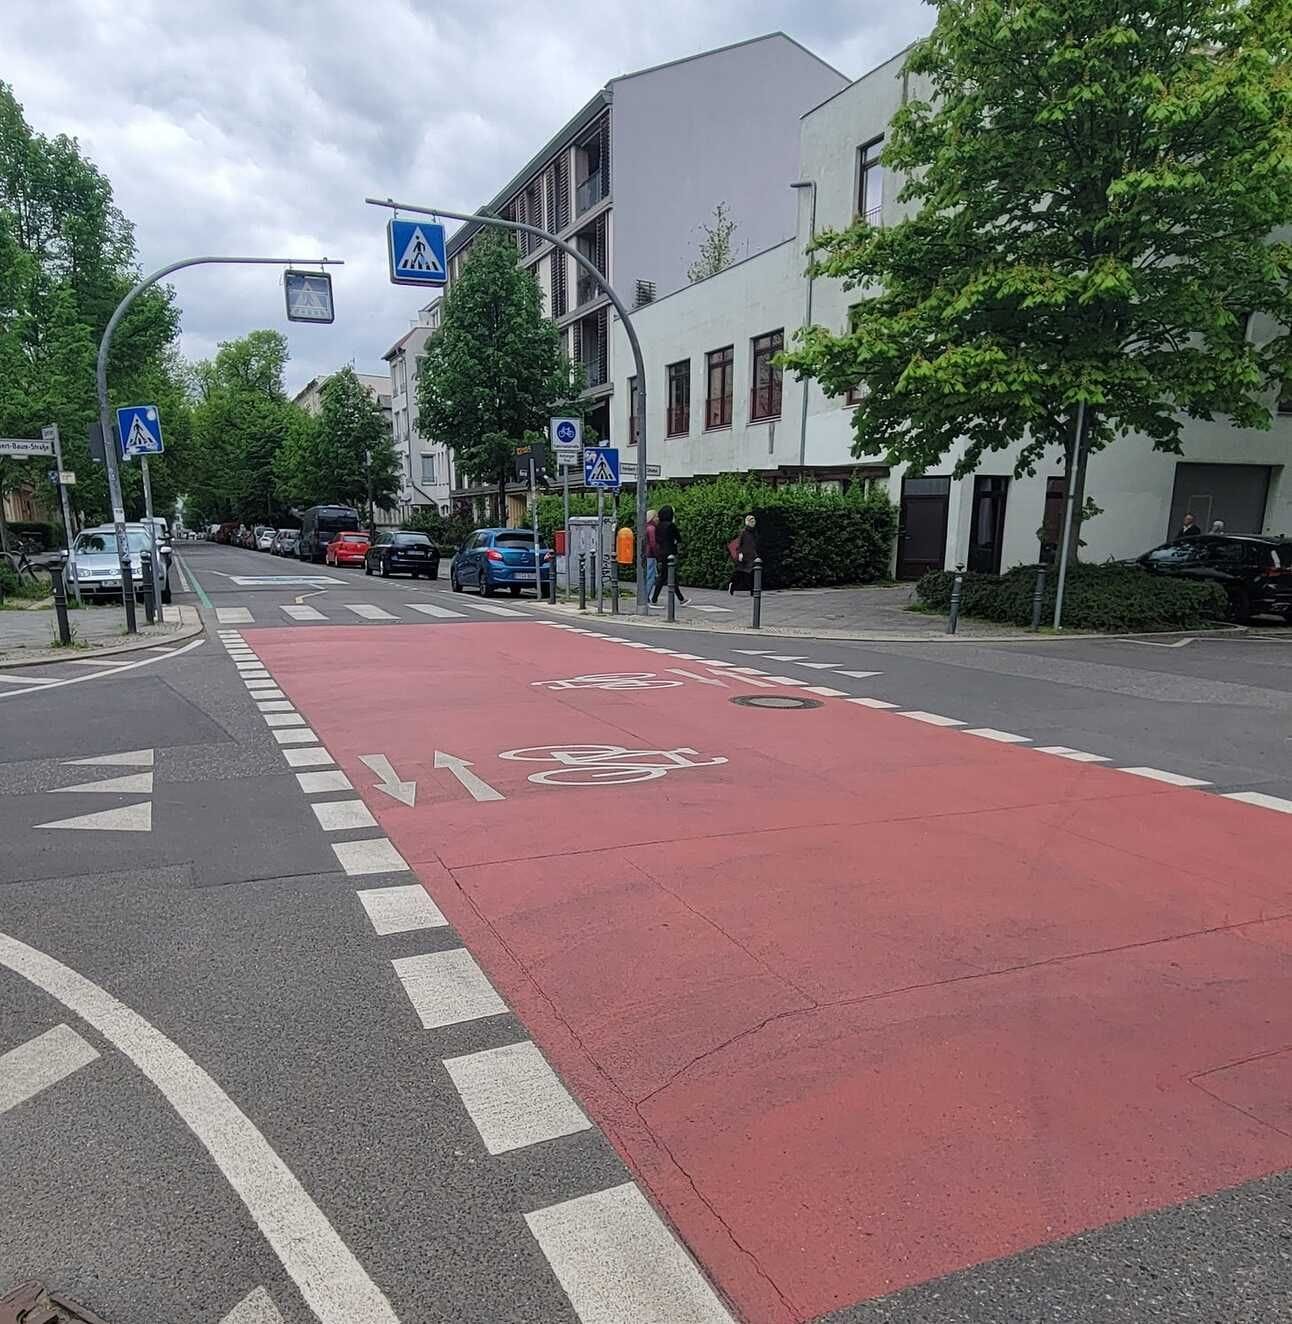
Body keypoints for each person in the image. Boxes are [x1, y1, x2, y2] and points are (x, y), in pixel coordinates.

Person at [649, 505, 686, 605]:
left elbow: (658, 539)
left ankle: (681, 598)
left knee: (669, 576)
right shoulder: (671, 525)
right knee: (666, 576)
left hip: (662, 552)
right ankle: (654, 599)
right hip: (670, 553)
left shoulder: (659, 525)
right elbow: (679, 538)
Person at [728, 514, 758, 595]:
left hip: (752, 556)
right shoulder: (743, 532)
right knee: (740, 574)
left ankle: (753, 591)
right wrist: (740, 553)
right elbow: (739, 544)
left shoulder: (754, 532)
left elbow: (754, 544)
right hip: (744, 556)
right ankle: (732, 586)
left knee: (752, 573)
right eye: (751, 521)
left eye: (753, 521)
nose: (753, 523)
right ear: (747, 522)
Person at [644, 509, 659, 602]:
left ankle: (645, 596)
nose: (658, 519)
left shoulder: (645, 527)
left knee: (647, 575)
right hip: (651, 554)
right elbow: (653, 543)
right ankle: (646, 596)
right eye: (656, 517)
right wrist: (657, 553)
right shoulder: (652, 528)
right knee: (651, 576)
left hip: (645, 554)